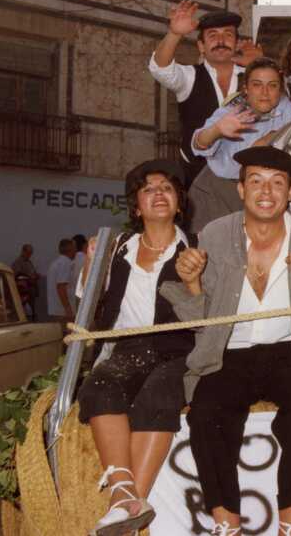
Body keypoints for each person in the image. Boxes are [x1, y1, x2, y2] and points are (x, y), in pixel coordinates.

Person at [163, 147, 291, 536]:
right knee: (205, 412)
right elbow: (200, 322)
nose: (266, 191)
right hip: (228, 351)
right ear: (240, 188)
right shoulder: (215, 235)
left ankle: (290, 523)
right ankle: (226, 523)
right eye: (256, 181)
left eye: (277, 182)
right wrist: (192, 283)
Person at [77, 159, 195, 536]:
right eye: (148, 189)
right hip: (125, 347)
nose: (158, 194)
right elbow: (87, 302)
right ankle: (126, 498)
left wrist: (197, 281)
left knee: (158, 397)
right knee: (97, 387)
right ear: (137, 205)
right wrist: (91, 266)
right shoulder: (117, 249)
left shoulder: (197, 251)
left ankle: (124, 512)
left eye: (166, 188)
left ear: (178, 203)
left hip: (178, 350)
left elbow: (211, 311)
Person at [148, 0, 262, 183]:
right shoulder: (190, 77)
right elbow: (161, 69)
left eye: (228, 34)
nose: (221, 41)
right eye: (212, 35)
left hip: (245, 179)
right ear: (201, 46)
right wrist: (174, 34)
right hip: (196, 180)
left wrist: (260, 66)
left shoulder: (255, 79)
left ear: (236, 43)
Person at [187, 57, 291, 234]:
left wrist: (270, 140)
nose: (265, 92)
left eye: (272, 85)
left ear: (281, 90)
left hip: (256, 188)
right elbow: (197, 144)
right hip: (217, 189)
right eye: (257, 84)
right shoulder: (231, 110)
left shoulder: (287, 110)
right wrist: (217, 130)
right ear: (246, 88)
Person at [46, 238, 76, 324]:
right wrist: (68, 309)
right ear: (70, 249)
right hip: (63, 311)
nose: (76, 251)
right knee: (67, 335)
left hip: (57, 310)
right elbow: (61, 287)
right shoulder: (65, 263)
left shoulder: (57, 262)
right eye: (74, 248)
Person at [12, 244, 40, 318]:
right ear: (23, 251)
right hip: (23, 289)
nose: (29, 255)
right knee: (22, 307)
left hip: (31, 287)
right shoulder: (18, 262)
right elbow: (17, 274)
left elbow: (32, 271)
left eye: (31, 253)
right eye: (28, 253)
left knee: (31, 304)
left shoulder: (29, 262)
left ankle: (33, 314)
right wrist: (29, 276)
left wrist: (36, 275)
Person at [70, 234, 88, 314]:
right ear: (85, 244)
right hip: (83, 295)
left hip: (72, 294)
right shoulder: (86, 259)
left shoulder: (72, 260)